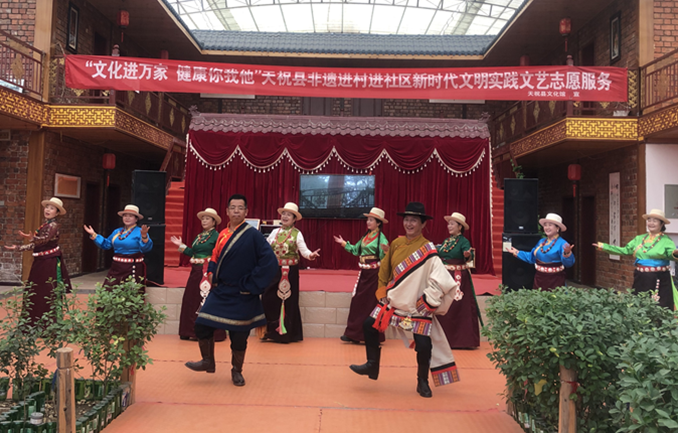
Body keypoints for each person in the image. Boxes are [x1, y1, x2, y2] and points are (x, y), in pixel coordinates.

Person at [349, 202, 460, 398]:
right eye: (407, 220)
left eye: (414, 220)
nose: (409, 224)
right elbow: (384, 271)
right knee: (368, 325)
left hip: (417, 307)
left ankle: (422, 381)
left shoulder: (428, 249)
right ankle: (372, 365)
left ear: (423, 224)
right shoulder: (396, 244)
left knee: (423, 345)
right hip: (393, 302)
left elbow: (442, 280)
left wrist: (428, 301)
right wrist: (382, 293)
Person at [185, 194, 278, 386]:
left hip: (243, 292)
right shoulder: (222, 235)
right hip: (221, 291)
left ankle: (237, 371)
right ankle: (208, 361)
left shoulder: (253, 235)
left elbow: (270, 261)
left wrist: (251, 284)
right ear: (227, 211)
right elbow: (214, 256)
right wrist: (211, 272)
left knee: (239, 335)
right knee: (202, 323)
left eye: (240, 208)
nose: (236, 211)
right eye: (233, 207)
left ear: (246, 211)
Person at [3, 197, 72, 325]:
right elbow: (37, 244)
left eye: (52, 208)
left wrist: (32, 238)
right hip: (41, 262)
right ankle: (35, 322)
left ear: (57, 213)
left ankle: (48, 324)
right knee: (36, 290)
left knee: (46, 291)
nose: (48, 210)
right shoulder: (46, 225)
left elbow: (44, 239)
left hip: (49, 263)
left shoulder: (53, 225)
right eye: (47, 207)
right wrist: (18, 247)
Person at [594, 209, 678, 310]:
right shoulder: (639, 239)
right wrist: (604, 247)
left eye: (655, 221)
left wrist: (675, 253)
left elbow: (670, 254)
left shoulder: (666, 241)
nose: (651, 223)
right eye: (649, 220)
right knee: (639, 306)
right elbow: (625, 250)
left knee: (660, 307)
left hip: (659, 278)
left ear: (662, 224)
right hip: (641, 277)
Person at [261, 202, 320, 343]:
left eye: (289, 215)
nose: (285, 217)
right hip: (274, 270)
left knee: (288, 301)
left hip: (290, 272)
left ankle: (286, 334)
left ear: (294, 219)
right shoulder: (275, 232)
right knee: (268, 297)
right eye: (284, 214)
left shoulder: (296, 234)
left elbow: (304, 250)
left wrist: (310, 255)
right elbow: (265, 248)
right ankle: (270, 330)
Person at [334, 207, 389, 343]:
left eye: (371, 220)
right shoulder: (366, 237)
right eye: (368, 220)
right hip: (364, 273)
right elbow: (356, 250)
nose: (368, 222)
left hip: (374, 275)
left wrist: (387, 255)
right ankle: (353, 334)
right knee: (358, 302)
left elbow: (385, 259)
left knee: (371, 304)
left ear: (378, 223)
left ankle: (372, 335)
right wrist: (343, 243)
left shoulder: (381, 239)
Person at [171, 207, 225, 342]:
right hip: (196, 271)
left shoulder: (217, 236)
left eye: (207, 219)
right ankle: (189, 330)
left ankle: (209, 332)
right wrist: (181, 245)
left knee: (206, 298)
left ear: (214, 222)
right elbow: (193, 253)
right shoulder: (199, 236)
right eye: (203, 219)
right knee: (192, 298)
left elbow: (220, 254)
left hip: (208, 271)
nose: (204, 221)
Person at [436, 212, 482, 349]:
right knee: (444, 306)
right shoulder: (446, 241)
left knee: (457, 306)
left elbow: (469, 254)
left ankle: (462, 340)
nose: (449, 226)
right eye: (448, 224)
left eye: (452, 224)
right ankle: (443, 339)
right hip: (445, 276)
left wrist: (467, 255)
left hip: (458, 278)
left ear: (460, 227)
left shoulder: (463, 242)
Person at [84, 204, 152, 289]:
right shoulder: (117, 231)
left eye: (130, 216)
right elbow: (106, 244)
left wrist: (144, 237)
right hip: (117, 267)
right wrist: (94, 234)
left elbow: (146, 248)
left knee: (130, 292)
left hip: (132, 267)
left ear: (136, 219)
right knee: (110, 290)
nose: (127, 218)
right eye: (125, 216)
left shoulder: (140, 232)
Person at [508, 213, 575, 291]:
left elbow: (569, 264)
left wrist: (567, 254)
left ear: (557, 228)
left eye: (550, 225)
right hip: (539, 280)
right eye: (545, 225)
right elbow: (531, 258)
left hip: (555, 281)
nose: (547, 228)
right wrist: (517, 252)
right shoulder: (541, 242)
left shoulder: (563, 244)